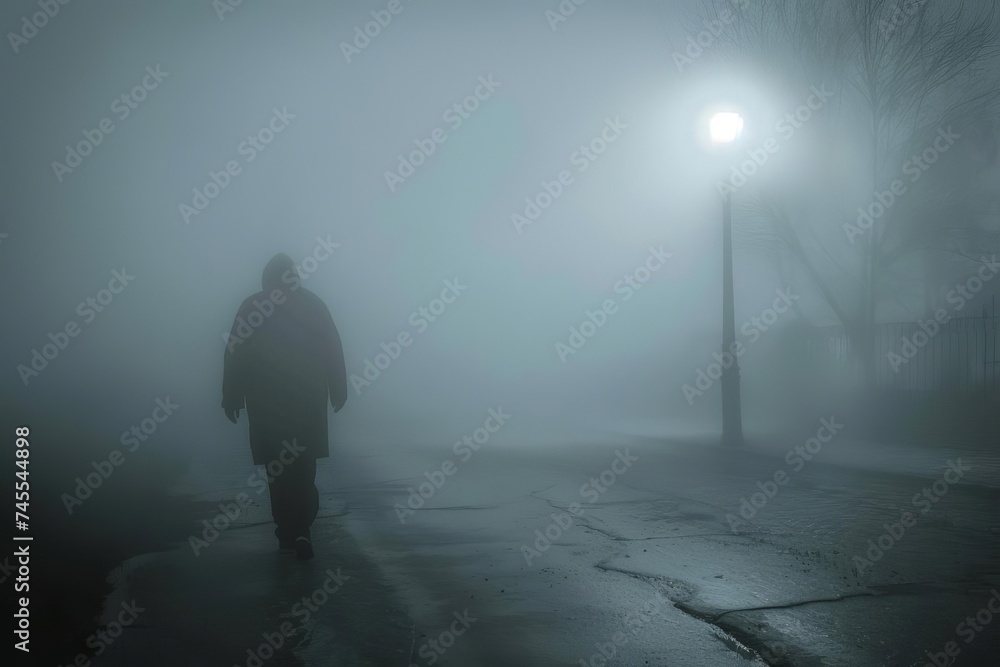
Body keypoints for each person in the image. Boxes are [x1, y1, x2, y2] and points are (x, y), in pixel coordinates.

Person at [221, 253, 347, 560]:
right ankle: (301, 527)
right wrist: (338, 389)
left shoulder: (252, 305)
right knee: (303, 467)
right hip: (307, 401)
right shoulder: (313, 304)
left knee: (277, 469)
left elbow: (236, 351)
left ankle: (288, 531)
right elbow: (332, 346)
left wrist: (232, 395)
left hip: (266, 404)